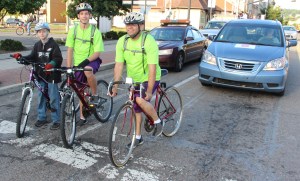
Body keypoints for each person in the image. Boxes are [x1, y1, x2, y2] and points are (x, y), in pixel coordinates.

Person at [109, 12, 163, 148]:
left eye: (133, 24)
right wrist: (115, 86)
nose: (129, 27)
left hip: (149, 77)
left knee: (140, 100)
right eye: (127, 25)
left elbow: (152, 68)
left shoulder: (148, 41)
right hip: (133, 79)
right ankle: (138, 137)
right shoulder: (123, 41)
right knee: (136, 108)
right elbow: (119, 65)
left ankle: (157, 121)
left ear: (141, 26)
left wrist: (150, 91)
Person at [13, 22, 63, 130]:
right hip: (40, 74)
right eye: (39, 32)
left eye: (44, 31)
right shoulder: (37, 45)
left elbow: (58, 58)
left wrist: (51, 64)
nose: (42, 33)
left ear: (48, 32)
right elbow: (32, 57)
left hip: (52, 75)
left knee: (53, 97)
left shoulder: (53, 44)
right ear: (37, 33)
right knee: (41, 97)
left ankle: (56, 120)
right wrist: (22, 58)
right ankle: (42, 117)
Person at [65, 2, 104, 126]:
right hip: (77, 64)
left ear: (90, 15)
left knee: (87, 70)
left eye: (86, 14)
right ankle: (82, 116)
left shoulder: (95, 31)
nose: (84, 16)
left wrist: (85, 62)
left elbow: (97, 52)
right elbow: (70, 50)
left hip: (91, 61)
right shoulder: (73, 30)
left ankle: (95, 95)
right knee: (80, 90)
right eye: (82, 14)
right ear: (78, 16)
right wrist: (69, 68)